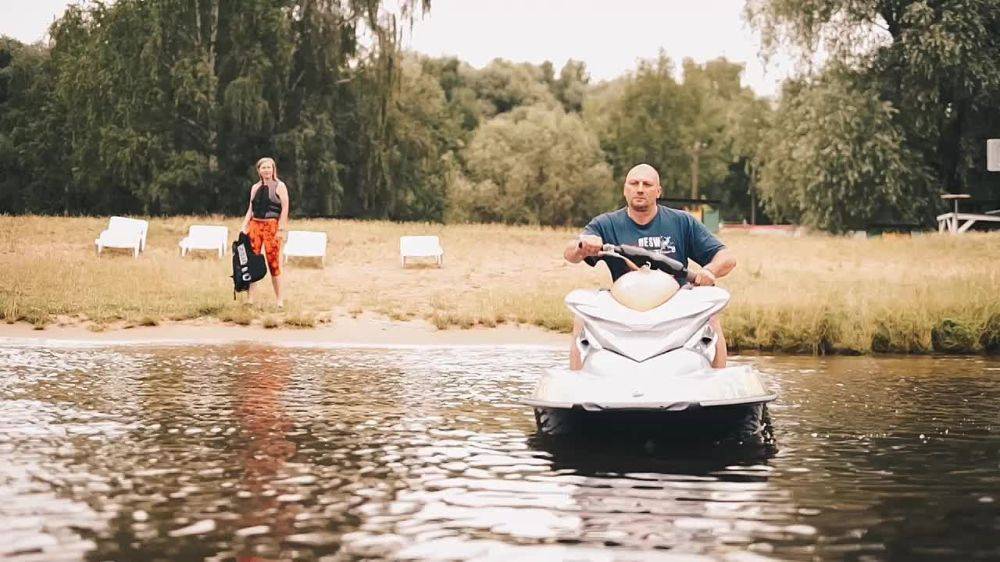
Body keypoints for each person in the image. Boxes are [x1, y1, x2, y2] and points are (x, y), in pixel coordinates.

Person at [564, 163, 737, 369]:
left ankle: (719, 380)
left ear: (658, 191)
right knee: (581, 318)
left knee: (711, 316)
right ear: (625, 189)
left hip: (676, 302)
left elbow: (727, 257)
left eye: (647, 184)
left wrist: (709, 271)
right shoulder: (605, 224)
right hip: (623, 302)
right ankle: (576, 383)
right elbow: (570, 254)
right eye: (634, 183)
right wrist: (583, 245)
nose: (640, 189)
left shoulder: (682, 221)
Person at [239, 157, 290, 308]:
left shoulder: (280, 186)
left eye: (269, 167)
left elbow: (285, 208)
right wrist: (244, 225)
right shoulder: (255, 187)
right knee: (253, 262)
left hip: (272, 226)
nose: (266, 170)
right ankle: (250, 300)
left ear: (273, 169)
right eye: (263, 168)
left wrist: (281, 228)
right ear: (258, 170)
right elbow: (251, 209)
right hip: (255, 225)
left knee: (274, 264)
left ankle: (279, 300)